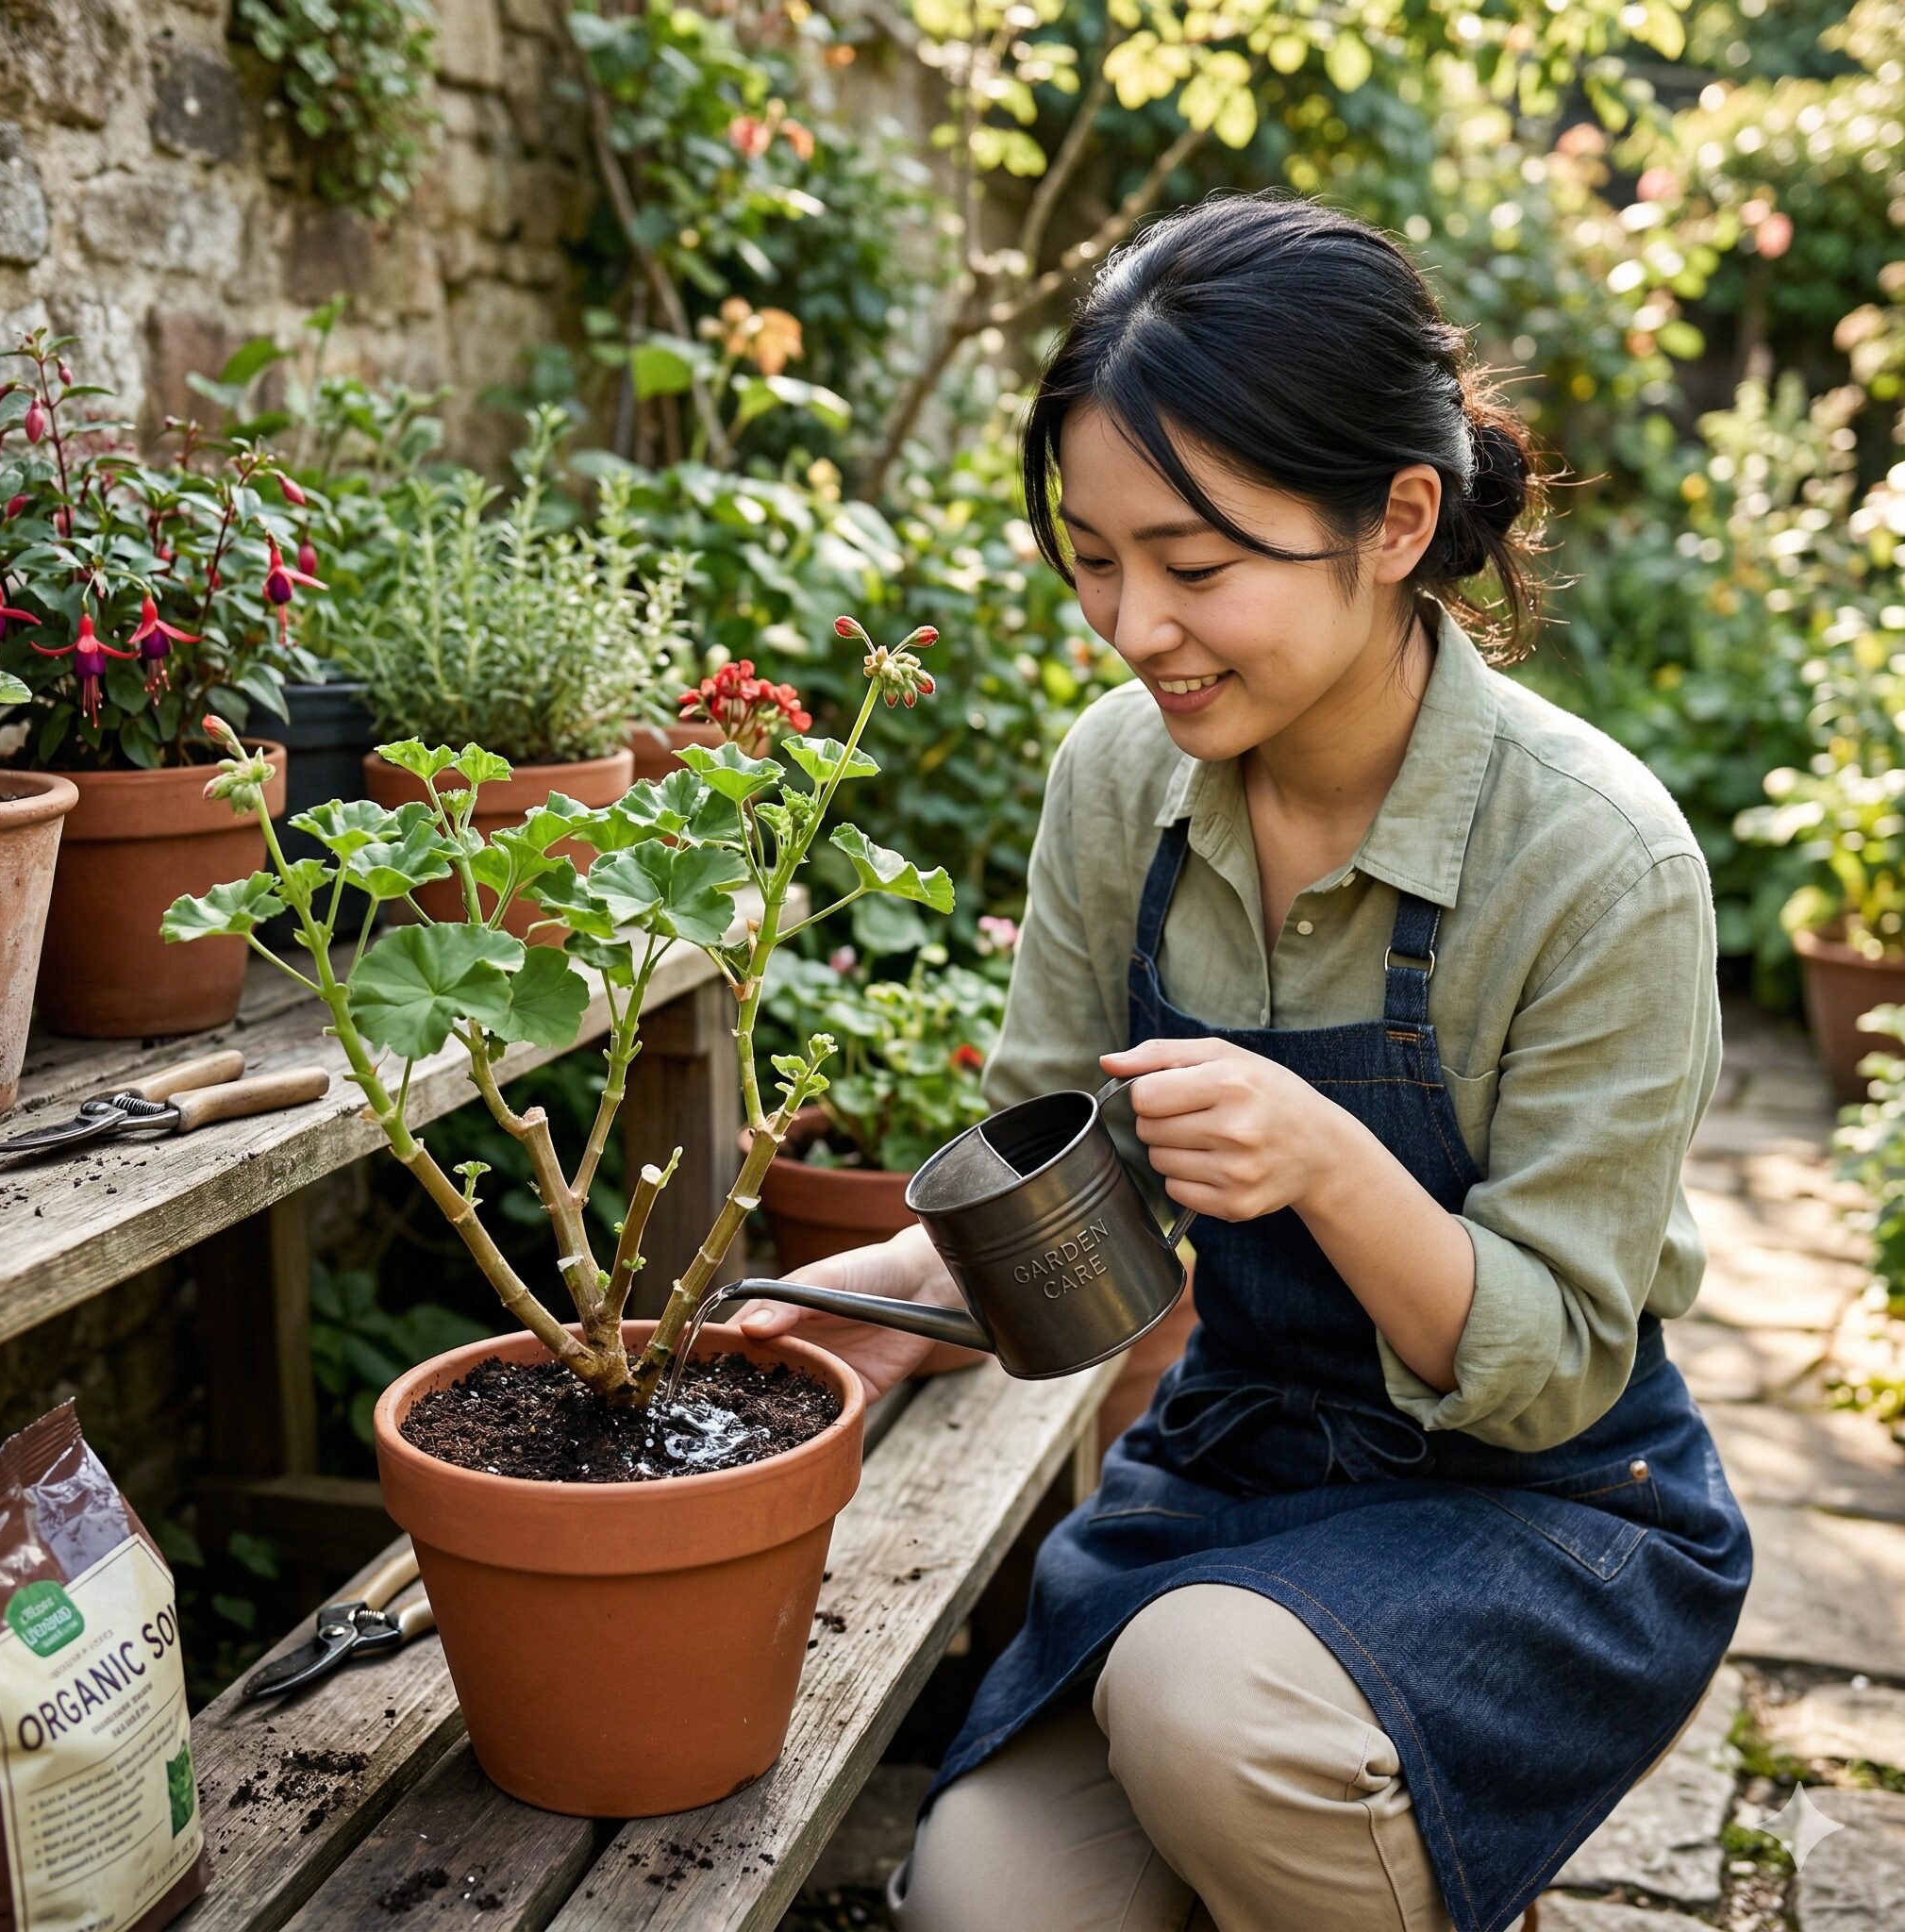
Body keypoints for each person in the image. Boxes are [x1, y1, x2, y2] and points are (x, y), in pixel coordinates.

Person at [735, 190, 1751, 1932]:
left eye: (1197, 566)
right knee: (982, 1900)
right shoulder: (1118, 785)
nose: (1135, 627)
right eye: (1094, 556)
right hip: (1241, 1469)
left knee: (1202, 1708)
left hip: (1546, 1506)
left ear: (1396, 521)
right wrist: (902, 1300)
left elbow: (1564, 1369)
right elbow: (1083, 1176)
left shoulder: (1597, 862)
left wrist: (1329, 1161)